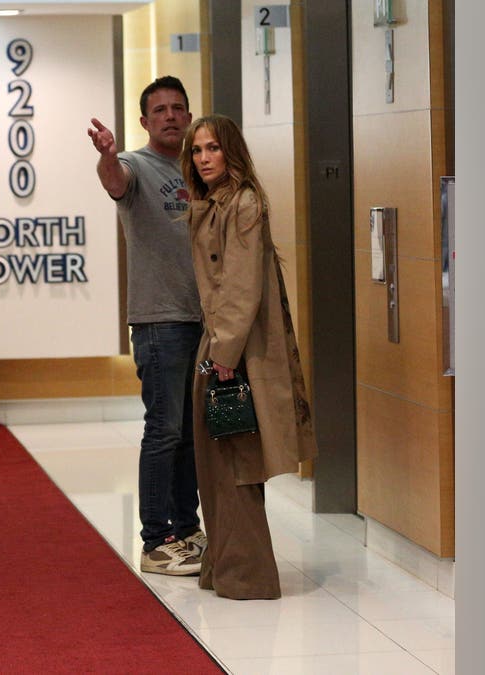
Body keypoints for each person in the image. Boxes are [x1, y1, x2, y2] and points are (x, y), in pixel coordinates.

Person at [180, 115, 318, 600]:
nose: (203, 158)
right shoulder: (212, 204)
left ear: (230, 151)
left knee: (235, 464)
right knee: (216, 463)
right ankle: (224, 566)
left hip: (233, 351)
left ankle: (247, 575)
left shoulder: (242, 204)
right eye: (197, 151)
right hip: (219, 342)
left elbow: (240, 288)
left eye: (212, 148)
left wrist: (222, 355)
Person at [86, 76, 206, 576]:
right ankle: (156, 540)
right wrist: (107, 155)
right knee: (163, 432)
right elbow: (115, 182)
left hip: (202, 321)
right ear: (145, 121)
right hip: (160, 322)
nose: (171, 116)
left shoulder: (200, 168)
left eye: (179, 108)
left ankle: (188, 529)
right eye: (160, 110)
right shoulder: (136, 165)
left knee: (189, 435)